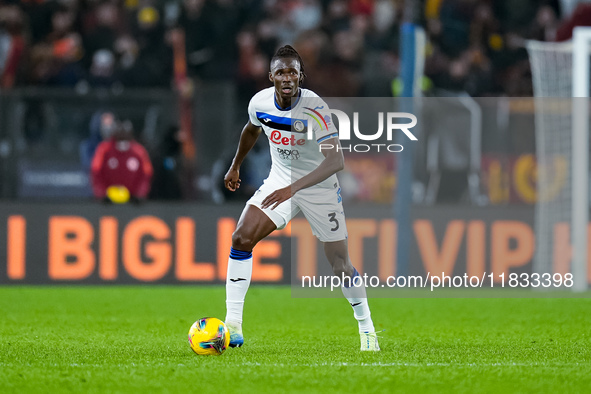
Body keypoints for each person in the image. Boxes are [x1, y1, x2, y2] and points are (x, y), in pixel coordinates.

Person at [223, 45, 379, 351]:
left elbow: (336, 161)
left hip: (318, 186)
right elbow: (252, 130)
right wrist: (235, 165)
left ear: (300, 76)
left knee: (339, 264)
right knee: (241, 238)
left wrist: (292, 190)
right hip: (281, 180)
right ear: (271, 76)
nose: (287, 77)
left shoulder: (315, 109)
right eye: (281, 71)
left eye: (292, 71)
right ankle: (233, 325)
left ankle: (367, 328)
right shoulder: (260, 103)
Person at [91, 120, 153, 203]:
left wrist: (140, 194)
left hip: (133, 202)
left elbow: (146, 174)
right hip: (108, 202)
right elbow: (96, 172)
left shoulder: (139, 151)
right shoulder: (104, 149)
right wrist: (102, 194)